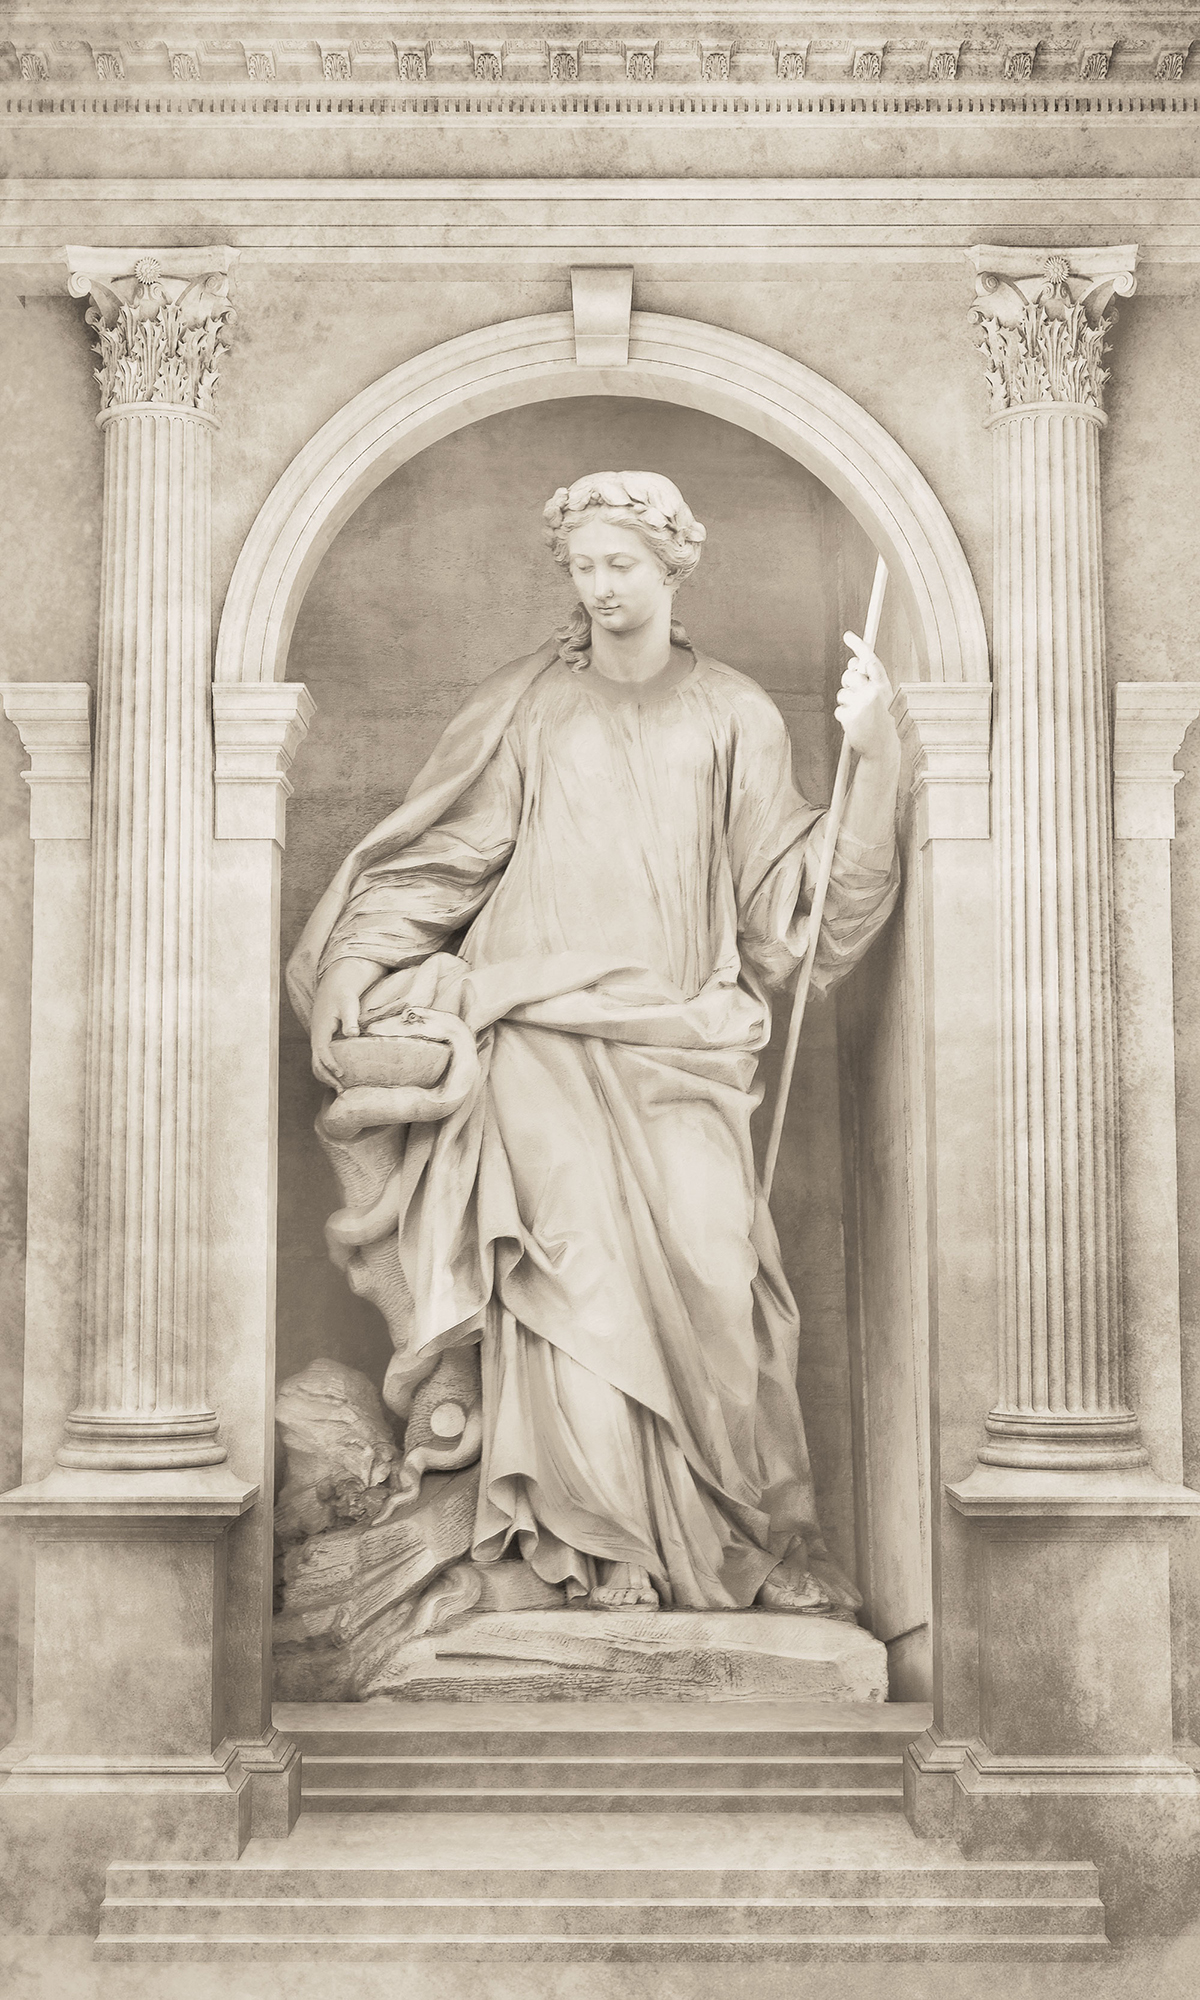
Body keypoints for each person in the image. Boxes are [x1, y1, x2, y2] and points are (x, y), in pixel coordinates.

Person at [287, 471, 900, 1613]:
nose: (601, 585)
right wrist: (356, 963)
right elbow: (445, 858)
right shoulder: (529, 706)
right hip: (538, 1032)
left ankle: (731, 1539)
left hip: (682, 1039)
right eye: (582, 566)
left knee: (716, 1269)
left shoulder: (736, 714)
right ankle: (595, 1547)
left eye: (622, 563)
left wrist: (878, 762)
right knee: (568, 1281)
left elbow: (793, 914)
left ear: (674, 566)